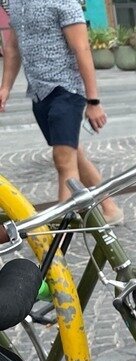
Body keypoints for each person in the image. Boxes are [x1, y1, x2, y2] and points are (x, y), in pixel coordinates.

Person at [0, 0, 123, 224]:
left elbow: (82, 49)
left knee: (63, 160)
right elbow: (12, 48)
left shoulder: (64, 2)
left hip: (67, 91)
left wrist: (93, 101)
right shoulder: (16, 4)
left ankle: (63, 226)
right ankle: (110, 208)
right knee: (74, 154)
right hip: (39, 93)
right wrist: (5, 88)